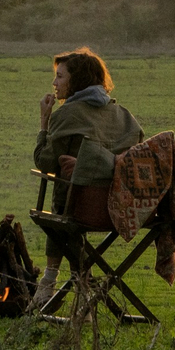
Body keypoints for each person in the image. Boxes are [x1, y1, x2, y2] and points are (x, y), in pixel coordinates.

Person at [31, 46, 143, 307]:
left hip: (81, 210)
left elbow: (45, 162)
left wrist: (44, 124)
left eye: (60, 76)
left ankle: (50, 281)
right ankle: (80, 286)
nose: (54, 82)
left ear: (76, 81)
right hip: (122, 209)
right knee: (69, 202)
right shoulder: (125, 116)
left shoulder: (67, 115)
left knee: (60, 209)